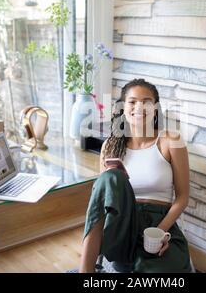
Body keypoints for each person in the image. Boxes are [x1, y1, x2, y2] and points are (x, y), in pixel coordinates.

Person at [79, 78, 192, 273]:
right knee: (109, 178)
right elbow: (102, 201)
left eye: (146, 101)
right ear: (123, 107)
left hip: (158, 222)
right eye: (132, 101)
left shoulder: (171, 141)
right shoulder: (110, 146)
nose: (139, 107)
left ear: (155, 108)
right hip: (121, 224)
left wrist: (160, 231)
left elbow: (182, 197)